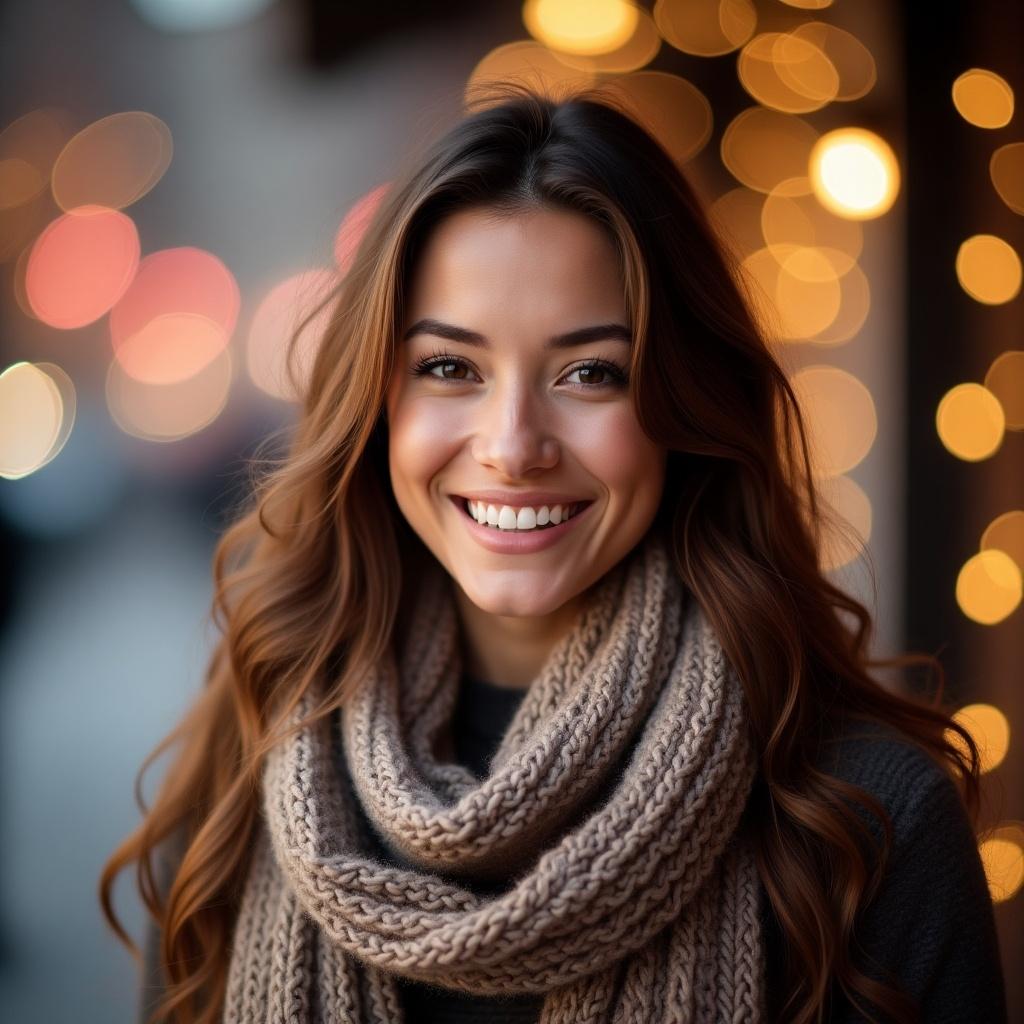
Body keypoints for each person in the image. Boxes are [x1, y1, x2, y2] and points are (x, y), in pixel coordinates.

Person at [100, 83, 1008, 1024]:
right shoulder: (240, 764)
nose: (514, 444)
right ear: (376, 403)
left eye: (590, 373)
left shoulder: (865, 818)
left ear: (684, 409)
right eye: (450, 367)